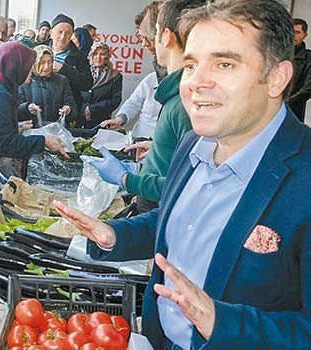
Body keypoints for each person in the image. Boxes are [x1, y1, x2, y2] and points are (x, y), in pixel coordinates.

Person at [56, 1, 311, 348]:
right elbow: (178, 221)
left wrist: (221, 322)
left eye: (224, 64)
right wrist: (114, 236)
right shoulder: (193, 144)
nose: (196, 83)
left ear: (276, 77)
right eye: (191, 64)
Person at [90, 0, 203, 213]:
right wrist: (158, 147)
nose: (147, 42)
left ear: (166, 36)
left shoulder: (184, 101)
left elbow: (186, 185)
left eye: (154, 33)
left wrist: (126, 180)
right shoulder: (169, 93)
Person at [0, 42, 68, 177]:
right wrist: (44, 141)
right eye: (29, 66)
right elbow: (5, 144)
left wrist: (20, 119)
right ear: (15, 66)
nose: (31, 70)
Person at [100, 2, 164, 139]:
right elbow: (133, 102)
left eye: (145, 37)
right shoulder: (151, 79)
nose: (144, 44)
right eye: (140, 37)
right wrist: (120, 119)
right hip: (137, 139)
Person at [18, 45, 77, 126]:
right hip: (34, 132)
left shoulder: (62, 80)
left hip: (57, 131)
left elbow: (72, 106)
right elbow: (15, 109)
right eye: (42, 63)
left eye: (49, 62)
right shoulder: (24, 81)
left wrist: (68, 110)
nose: (46, 67)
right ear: (34, 62)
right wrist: (27, 108)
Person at [49, 13, 93, 115]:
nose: (63, 36)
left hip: (67, 110)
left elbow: (87, 84)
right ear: (51, 33)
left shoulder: (79, 57)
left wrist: (64, 69)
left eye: (68, 33)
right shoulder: (37, 51)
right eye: (59, 32)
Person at [80, 42, 123, 129]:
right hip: (79, 120)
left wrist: (91, 109)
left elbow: (115, 100)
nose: (98, 57)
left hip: (101, 122)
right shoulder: (82, 73)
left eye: (102, 54)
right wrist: (83, 108)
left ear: (107, 56)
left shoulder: (115, 76)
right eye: (95, 54)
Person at [288, 18, 311, 122]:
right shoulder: (277, 53)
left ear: (304, 35)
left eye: (297, 32)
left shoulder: (309, 58)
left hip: (294, 111)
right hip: (269, 109)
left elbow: (307, 89)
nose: (293, 35)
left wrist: (285, 102)